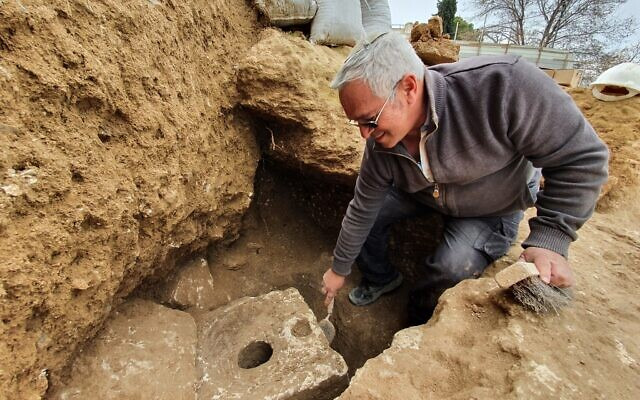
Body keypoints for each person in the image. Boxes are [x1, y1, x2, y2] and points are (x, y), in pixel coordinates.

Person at [320, 31, 609, 326]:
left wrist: (551, 239)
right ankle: (382, 278)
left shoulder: (504, 86)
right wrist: (339, 270)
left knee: (450, 267)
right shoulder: (380, 142)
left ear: (408, 88)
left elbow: (581, 158)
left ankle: (418, 323)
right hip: (421, 192)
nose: (364, 134)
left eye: (369, 120)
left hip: (491, 207)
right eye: (357, 122)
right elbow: (362, 208)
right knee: (372, 217)